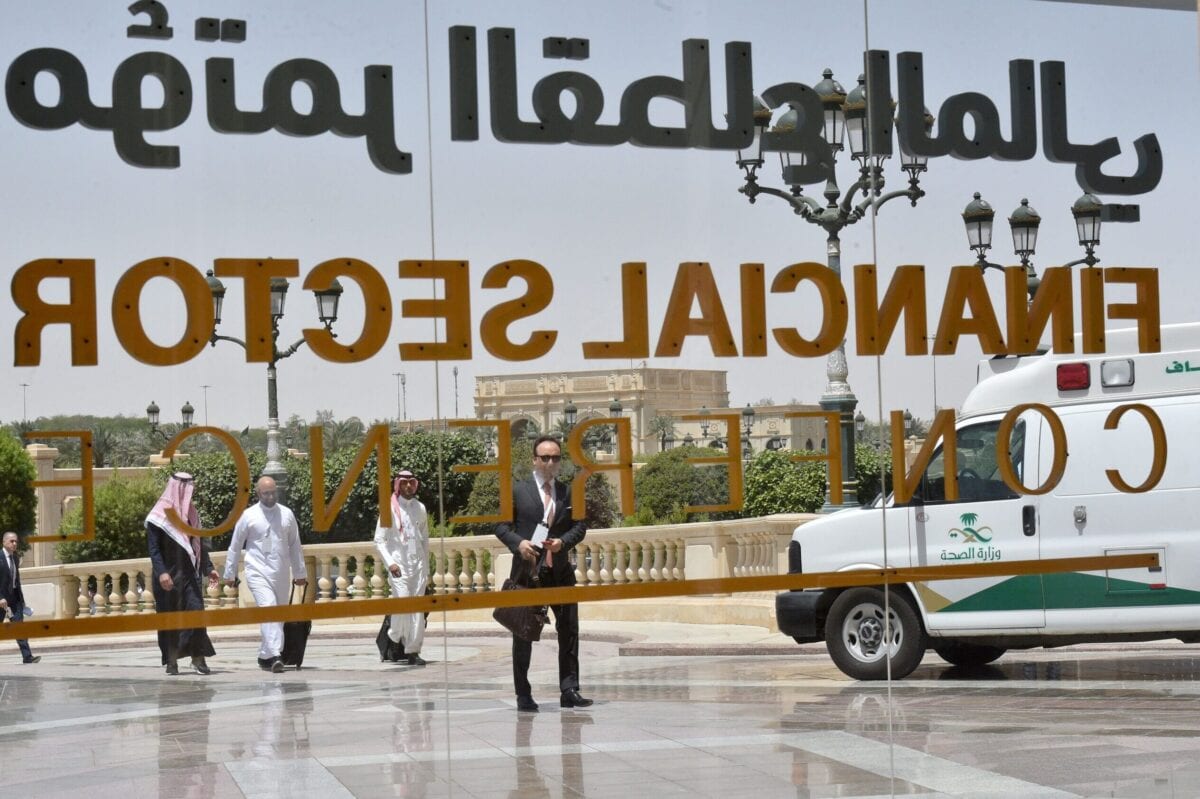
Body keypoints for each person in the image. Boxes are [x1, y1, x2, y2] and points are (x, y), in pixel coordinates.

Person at [495, 435, 591, 712]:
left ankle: (569, 689)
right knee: (523, 634)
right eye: (545, 457)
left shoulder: (568, 491)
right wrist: (519, 543)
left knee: (569, 630)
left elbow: (580, 526)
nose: (551, 462)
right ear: (534, 460)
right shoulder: (516, 490)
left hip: (560, 571)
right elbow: (501, 527)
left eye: (556, 458)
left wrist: (564, 542)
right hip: (528, 573)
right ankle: (523, 694)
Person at [223, 476, 307, 673]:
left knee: (278, 614)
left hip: (281, 572)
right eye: (266, 493)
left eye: (273, 492)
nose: (270, 496)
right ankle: (277, 655)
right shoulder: (248, 516)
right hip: (257, 571)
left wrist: (299, 572)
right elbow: (235, 546)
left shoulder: (286, 514)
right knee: (269, 609)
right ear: (258, 493)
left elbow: (295, 544)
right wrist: (230, 572)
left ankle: (264, 655)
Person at [146, 473, 219, 675]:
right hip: (167, 576)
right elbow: (153, 549)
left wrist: (209, 567)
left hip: (188, 574)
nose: (191, 493)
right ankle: (171, 661)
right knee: (169, 619)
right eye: (187, 490)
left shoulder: (191, 515)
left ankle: (198, 658)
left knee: (196, 613)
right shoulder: (158, 516)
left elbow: (199, 546)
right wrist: (161, 573)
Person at [373, 468, 430, 667]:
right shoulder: (388, 508)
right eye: (404, 482)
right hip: (399, 566)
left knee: (418, 609)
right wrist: (391, 563)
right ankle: (393, 635)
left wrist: (427, 569)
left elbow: (425, 540)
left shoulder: (420, 508)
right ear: (398, 484)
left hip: (418, 565)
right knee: (405, 604)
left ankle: (413, 651)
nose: (408, 486)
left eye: (411, 482)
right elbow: (379, 540)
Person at [0, 532, 39, 664]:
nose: (14, 544)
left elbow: (16, 581)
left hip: (14, 600)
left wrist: (22, 602)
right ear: (4, 542)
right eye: (11, 541)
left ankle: (27, 656)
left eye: (16, 541)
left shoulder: (15, 558)